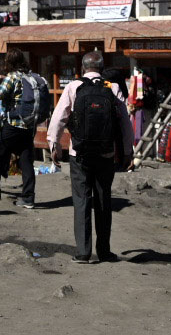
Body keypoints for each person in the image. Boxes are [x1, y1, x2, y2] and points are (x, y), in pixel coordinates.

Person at [47, 50, 134, 263]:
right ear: (102, 70)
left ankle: (83, 252)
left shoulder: (73, 87)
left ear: (83, 69)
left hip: (80, 154)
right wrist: (127, 152)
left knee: (81, 200)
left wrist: (54, 145)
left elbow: (59, 118)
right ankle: (104, 251)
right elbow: (125, 123)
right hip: (106, 154)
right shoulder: (111, 88)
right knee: (103, 200)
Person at [0, 48, 48, 209]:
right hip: (29, 126)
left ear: (9, 62)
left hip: (14, 125)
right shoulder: (30, 76)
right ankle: (28, 198)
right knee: (26, 161)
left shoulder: (12, 77)